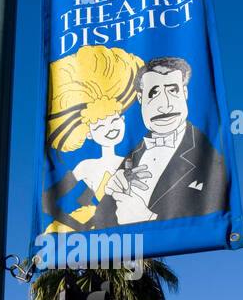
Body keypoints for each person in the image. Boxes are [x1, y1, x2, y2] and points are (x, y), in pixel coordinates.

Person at [93, 57, 230, 226]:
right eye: (154, 93)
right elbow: (99, 224)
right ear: (140, 98)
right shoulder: (133, 154)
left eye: (173, 91)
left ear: (185, 93)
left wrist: (150, 220)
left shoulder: (208, 155)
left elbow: (216, 216)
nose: (165, 106)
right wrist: (111, 194)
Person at [41, 45, 141, 230]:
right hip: (92, 239)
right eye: (100, 125)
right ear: (89, 133)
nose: (109, 128)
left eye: (113, 120)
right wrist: (77, 225)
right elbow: (49, 200)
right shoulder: (86, 166)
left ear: (123, 120)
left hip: (129, 234)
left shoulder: (131, 163)